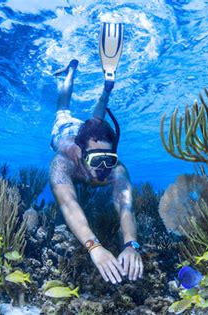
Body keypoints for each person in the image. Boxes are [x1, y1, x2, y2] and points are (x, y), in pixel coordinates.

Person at [49, 23, 142, 284]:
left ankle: (106, 91)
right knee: (62, 108)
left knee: (96, 121)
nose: (104, 168)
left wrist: (131, 245)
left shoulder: (117, 169)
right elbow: (69, 204)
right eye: (96, 160)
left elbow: (126, 207)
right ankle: (70, 72)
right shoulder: (63, 162)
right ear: (81, 155)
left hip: (89, 136)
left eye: (108, 159)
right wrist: (94, 246)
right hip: (65, 133)